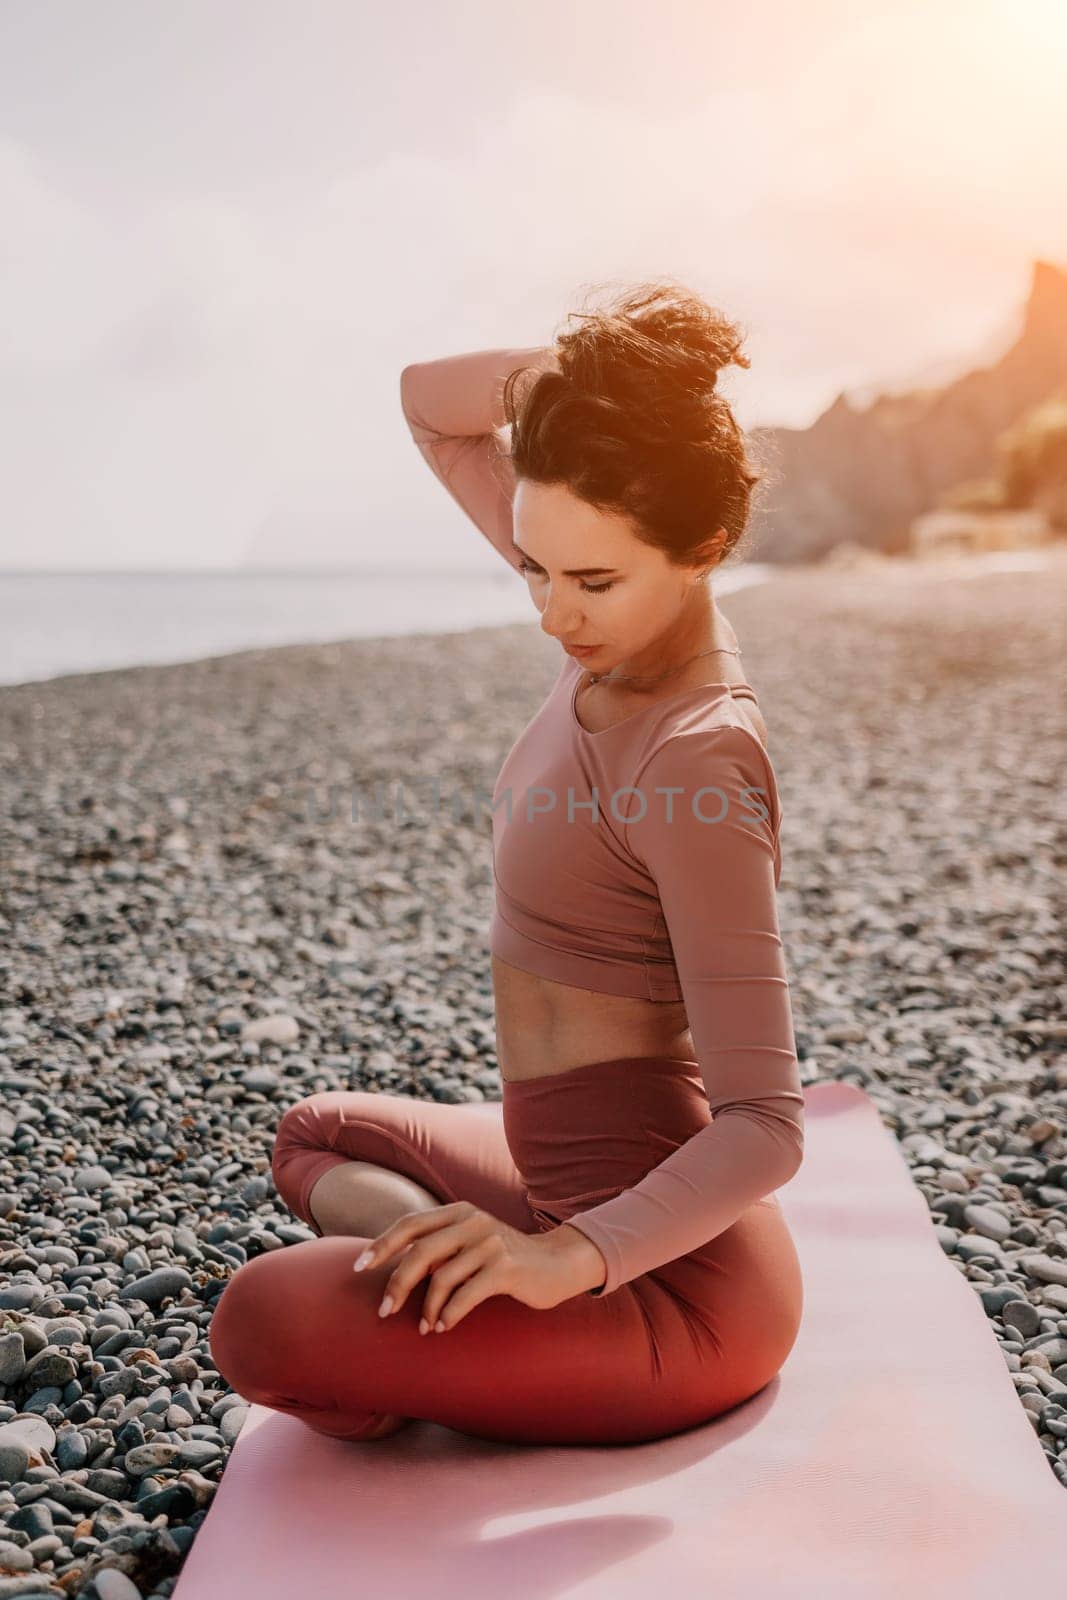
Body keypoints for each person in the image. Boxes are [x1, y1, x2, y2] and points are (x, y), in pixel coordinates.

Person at [208, 279, 806, 1446]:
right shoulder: (606, 606)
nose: (548, 614)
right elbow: (432, 408)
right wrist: (606, 378)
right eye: (532, 567)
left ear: (704, 549)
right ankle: (443, 1307)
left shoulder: (699, 753)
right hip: (549, 1158)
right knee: (310, 1134)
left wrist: (553, 1261)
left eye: (585, 580)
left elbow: (766, 1125)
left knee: (260, 1321)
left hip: (676, 1294)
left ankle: (467, 1326)